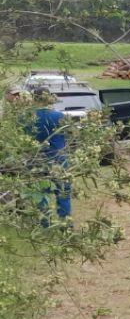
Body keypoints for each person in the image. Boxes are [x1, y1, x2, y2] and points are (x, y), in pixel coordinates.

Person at [30, 87, 70, 223]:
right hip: (59, 158)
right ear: (49, 98)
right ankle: (65, 223)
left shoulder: (28, 118)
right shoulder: (58, 116)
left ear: (34, 99)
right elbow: (67, 135)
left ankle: (45, 223)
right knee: (63, 193)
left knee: (41, 193)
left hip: (37, 159)